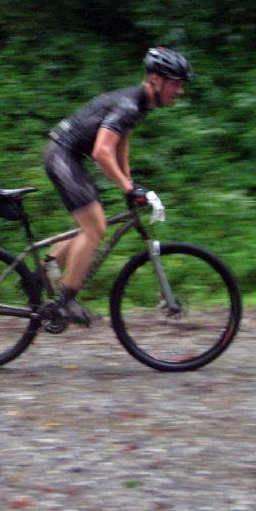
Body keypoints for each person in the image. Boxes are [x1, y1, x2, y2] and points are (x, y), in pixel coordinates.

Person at [43, 47, 192, 325]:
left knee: (91, 225)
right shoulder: (129, 105)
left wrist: (130, 182)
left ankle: (42, 271)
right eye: (175, 83)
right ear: (155, 80)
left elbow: (121, 144)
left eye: (182, 85)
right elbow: (102, 151)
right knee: (96, 227)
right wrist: (126, 187)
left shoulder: (140, 104)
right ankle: (66, 303)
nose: (180, 90)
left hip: (68, 155)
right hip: (63, 156)